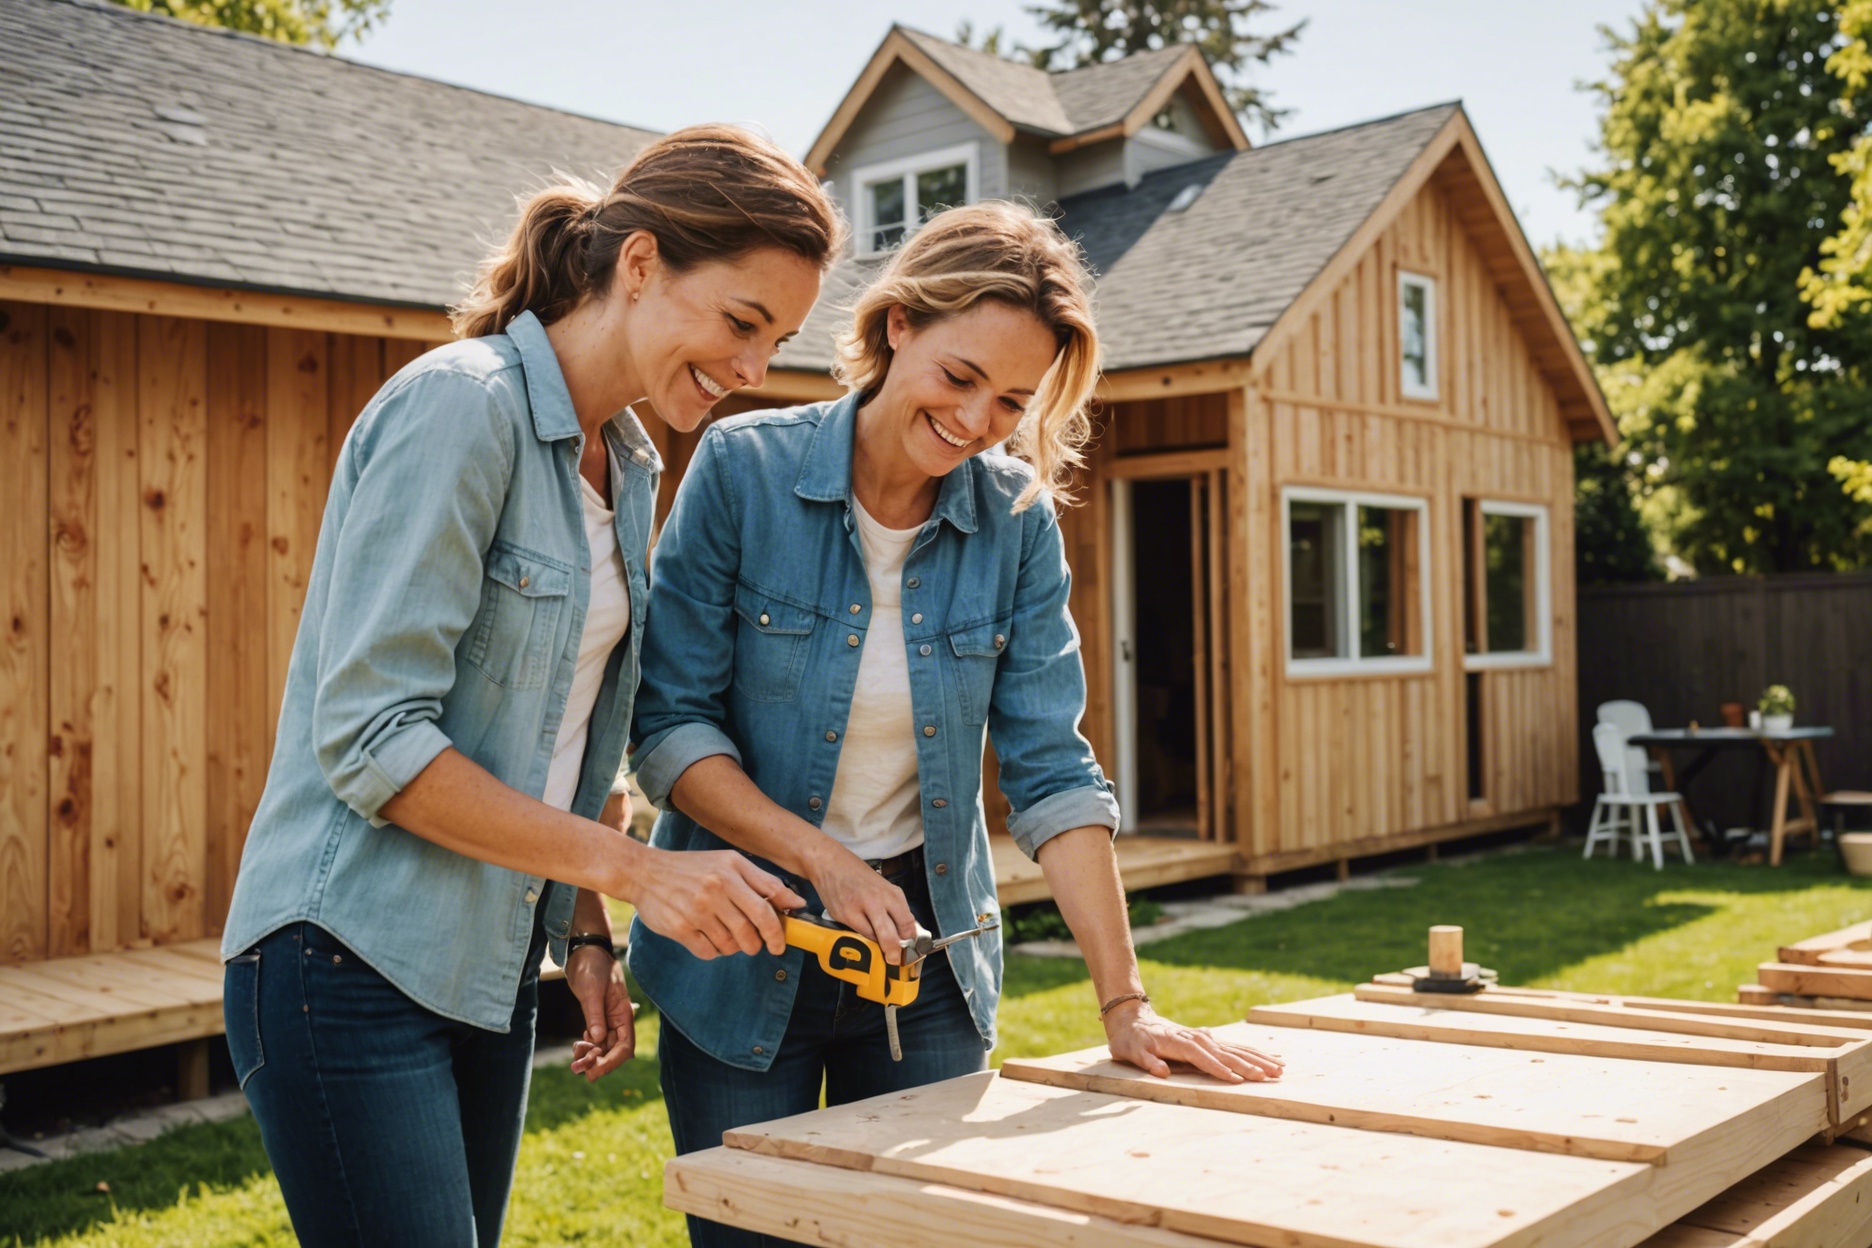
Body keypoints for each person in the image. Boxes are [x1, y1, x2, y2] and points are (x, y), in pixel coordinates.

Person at [218, 125, 843, 1248]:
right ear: (641, 264)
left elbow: (556, 734)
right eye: (741, 323)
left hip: (488, 970)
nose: (755, 370)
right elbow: (372, 742)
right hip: (345, 958)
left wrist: (587, 930)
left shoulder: (632, 464)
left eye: (778, 339)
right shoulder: (464, 408)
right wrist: (642, 871)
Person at [628, 201, 1286, 1248]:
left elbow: (1052, 770)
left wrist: (1126, 1004)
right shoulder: (742, 471)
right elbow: (671, 730)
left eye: (1013, 400)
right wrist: (826, 867)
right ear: (898, 328)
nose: (979, 421)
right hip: (743, 952)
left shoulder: (1016, 523)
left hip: (925, 971)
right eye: (960, 377)